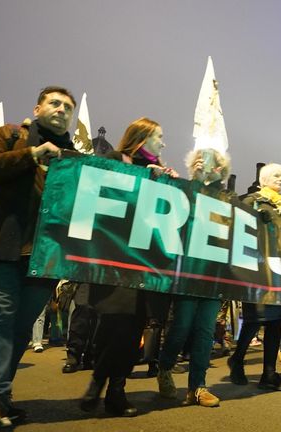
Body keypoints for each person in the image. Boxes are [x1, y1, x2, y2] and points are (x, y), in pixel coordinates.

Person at [0, 86, 77, 431]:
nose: (61, 109)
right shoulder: (11, 135)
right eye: (54, 103)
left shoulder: (75, 157)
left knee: (17, 330)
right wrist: (29, 154)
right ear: (38, 107)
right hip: (4, 245)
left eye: (67, 107)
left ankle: (1, 397)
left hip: (46, 256)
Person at [78, 123, 176, 418]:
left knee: (134, 329)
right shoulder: (116, 161)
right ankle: (101, 379)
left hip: (148, 266)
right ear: (142, 138)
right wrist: (147, 178)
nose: (163, 143)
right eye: (159, 137)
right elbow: (98, 191)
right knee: (115, 325)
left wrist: (173, 186)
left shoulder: (163, 172)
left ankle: (113, 391)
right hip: (116, 261)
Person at [156, 147, 229, 407]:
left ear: (219, 168)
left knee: (205, 330)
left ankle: (197, 386)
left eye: (206, 160)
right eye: (197, 159)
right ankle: (164, 368)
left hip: (214, 274)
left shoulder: (227, 196)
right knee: (182, 326)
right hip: (188, 270)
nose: (200, 162)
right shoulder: (183, 188)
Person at [227, 163, 281, 391]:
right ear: (263, 179)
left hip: (278, 271)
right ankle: (237, 359)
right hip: (256, 270)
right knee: (254, 319)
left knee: (275, 321)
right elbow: (239, 225)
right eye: (276, 176)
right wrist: (258, 217)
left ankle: (269, 373)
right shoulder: (252, 200)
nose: (280, 179)